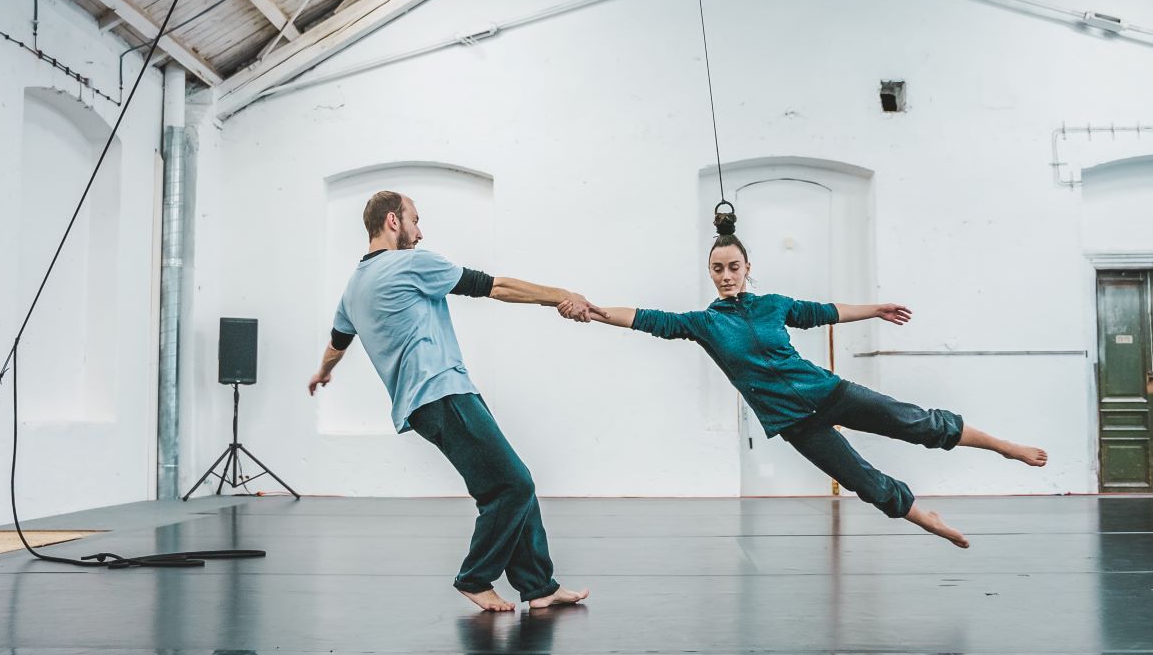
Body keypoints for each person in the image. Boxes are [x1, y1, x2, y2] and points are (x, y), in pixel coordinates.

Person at [569, 222, 1047, 548]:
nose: (727, 275)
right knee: (862, 480)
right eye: (718, 269)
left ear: (747, 268)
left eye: (734, 267)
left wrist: (875, 309)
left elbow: (825, 312)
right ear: (710, 273)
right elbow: (647, 318)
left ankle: (1004, 446)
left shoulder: (774, 304)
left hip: (829, 392)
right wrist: (593, 311)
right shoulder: (703, 323)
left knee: (917, 423)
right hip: (794, 422)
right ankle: (927, 518)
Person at [309, 190, 595, 610]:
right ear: (393, 221)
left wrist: (323, 372)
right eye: (415, 220)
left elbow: (338, 341)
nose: (420, 232)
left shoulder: (353, 288)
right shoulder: (410, 263)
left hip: (426, 404)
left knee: (507, 485)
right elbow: (496, 287)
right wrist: (562, 295)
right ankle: (475, 578)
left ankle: (540, 587)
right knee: (514, 484)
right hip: (443, 391)